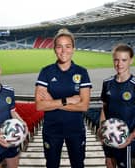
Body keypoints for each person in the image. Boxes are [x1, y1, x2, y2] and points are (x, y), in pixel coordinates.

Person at [35, 28, 92, 168]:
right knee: (52, 165)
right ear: (54, 49)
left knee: (78, 165)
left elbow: (84, 106)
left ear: (73, 48)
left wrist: (52, 102)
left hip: (76, 129)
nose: (63, 50)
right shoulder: (46, 72)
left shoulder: (82, 72)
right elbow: (39, 105)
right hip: (52, 130)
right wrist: (68, 100)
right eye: (59, 46)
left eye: (67, 46)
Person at [99, 43, 135, 168]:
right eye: (116, 60)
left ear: (131, 60)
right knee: (109, 164)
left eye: (124, 60)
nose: (119, 64)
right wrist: (101, 129)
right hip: (109, 138)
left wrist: (130, 137)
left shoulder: (134, 85)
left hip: (127, 142)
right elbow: (104, 108)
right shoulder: (107, 83)